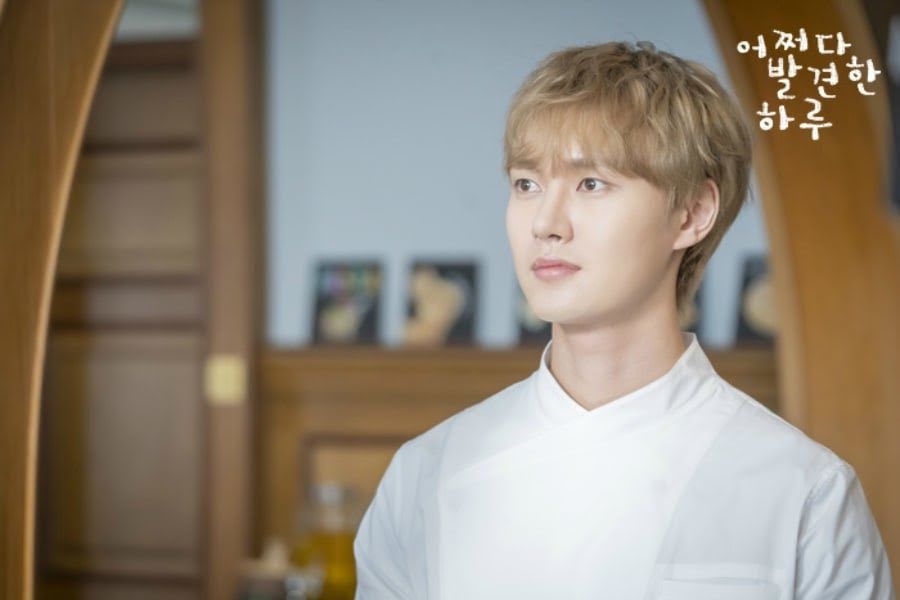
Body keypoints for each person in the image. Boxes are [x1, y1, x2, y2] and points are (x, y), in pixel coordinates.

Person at [353, 40, 895, 599]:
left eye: (591, 184)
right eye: (526, 184)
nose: (545, 223)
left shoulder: (806, 494)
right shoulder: (426, 476)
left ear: (692, 213)